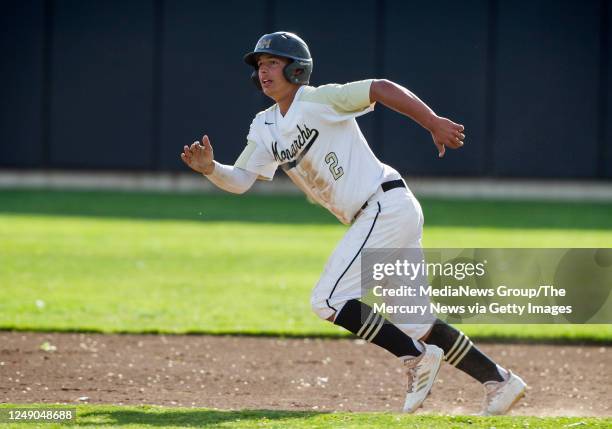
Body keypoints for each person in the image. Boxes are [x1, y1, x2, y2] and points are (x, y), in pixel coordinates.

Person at [180, 31, 526, 415]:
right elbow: (242, 180)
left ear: (297, 68)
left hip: (383, 207)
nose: (264, 72)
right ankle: (500, 382)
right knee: (417, 322)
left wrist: (431, 121)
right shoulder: (263, 127)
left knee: (327, 300)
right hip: (386, 212)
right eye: (260, 65)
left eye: (273, 63)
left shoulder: (318, 100)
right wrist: (210, 168)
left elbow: (379, 87)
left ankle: (415, 358)